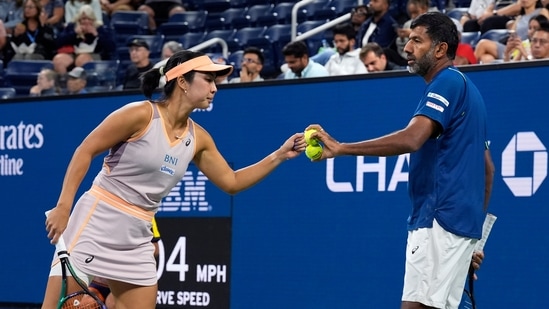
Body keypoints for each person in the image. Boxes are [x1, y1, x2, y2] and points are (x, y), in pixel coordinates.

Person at [42, 49, 306, 309]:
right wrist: (64, 206)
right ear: (182, 81)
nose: (215, 88)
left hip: (138, 235)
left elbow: (232, 182)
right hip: (97, 221)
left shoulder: (199, 138)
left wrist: (280, 155)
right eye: (208, 79)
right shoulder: (140, 114)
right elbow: (84, 151)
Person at [306, 12, 494, 309]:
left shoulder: (446, 83)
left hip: (438, 218)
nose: (407, 48)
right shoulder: (471, 93)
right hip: (458, 224)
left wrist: (341, 148)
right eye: (408, 40)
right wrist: (473, 236)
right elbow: (487, 170)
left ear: (440, 49)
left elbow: (412, 138)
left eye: (417, 41)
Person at [474, 0, 549, 63]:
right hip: (515, 47)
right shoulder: (519, 17)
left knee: (483, 43)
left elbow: (545, 31)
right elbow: (512, 34)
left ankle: (466, 72)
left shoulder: (542, 11)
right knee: (486, 58)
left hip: (528, 47)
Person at [53, 4, 115, 74]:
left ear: (93, 19)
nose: (86, 21)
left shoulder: (100, 28)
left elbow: (111, 47)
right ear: (79, 20)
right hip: (73, 54)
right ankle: (63, 82)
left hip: (93, 55)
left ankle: (81, 83)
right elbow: (58, 42)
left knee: (82, 60)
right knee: (58, 60)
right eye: (83, 19)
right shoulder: (72, 26)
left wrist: (96, 34)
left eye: (89, 19)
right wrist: (74, 33)